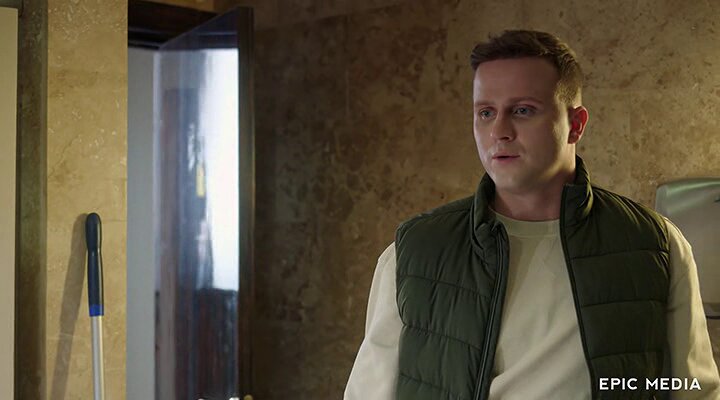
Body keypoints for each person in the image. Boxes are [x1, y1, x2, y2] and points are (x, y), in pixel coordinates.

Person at [344, 30, 720, 400]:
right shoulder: (416, 252)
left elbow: (694, 390)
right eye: (486, 113)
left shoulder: (653, 244)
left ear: (576, 125)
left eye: (522, 111)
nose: (499, 131)